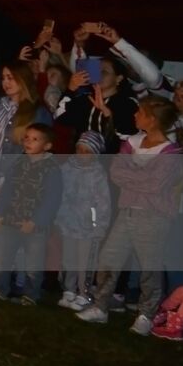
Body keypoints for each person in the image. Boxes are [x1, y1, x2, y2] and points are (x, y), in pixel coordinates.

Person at [78, 96, 183, 334]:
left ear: (153, 119)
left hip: (153, 217)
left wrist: (133, 175)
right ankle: (100, 306)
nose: (135, 115)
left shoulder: (171, 152)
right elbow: (116, 172)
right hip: (126, 212)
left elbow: (155, 184)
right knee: (109, 259)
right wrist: (139, 176)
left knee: (149, 267)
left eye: (140, 112)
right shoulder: (133, 142)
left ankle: (146, 314)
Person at [0, 123, 62, 303]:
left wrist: (36, 221)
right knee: (2, 259)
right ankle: (0, 289)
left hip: (34, 226)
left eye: (35, 139)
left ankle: (31, 294)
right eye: (27, 138)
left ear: (47, 146)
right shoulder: (18, 163)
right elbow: (7, 190)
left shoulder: (51, 169)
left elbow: (52, 199)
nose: (28, 142)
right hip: (10, 219)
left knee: (33, 263)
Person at [55, 131, 112, 311]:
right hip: (68, 223)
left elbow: (103, 203)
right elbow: (59, 194)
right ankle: (69, 290)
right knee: (68, 259)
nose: (81, 154)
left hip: (88, 228)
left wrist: (99, 225)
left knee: (85, 262)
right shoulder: (67, 168)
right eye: (79, 150)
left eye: (87, 152)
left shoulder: (98, 174)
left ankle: (84, 292)